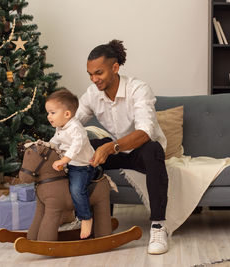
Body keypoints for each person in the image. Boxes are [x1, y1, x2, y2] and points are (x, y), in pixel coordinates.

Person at [76, 39, 169, 254]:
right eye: (90, 74)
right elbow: (73, 121)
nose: (94, 79)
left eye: (98, 73)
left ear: (115, 68)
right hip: (117, 150)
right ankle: (85, 218)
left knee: (154, 150)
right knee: (84, 147)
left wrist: (110, 147)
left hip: (142, 150)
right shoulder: (92, 93)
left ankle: (158, 226)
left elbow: (145, 133)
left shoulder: (139, 88)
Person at [45, 88, 96, 239]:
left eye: (52, 112)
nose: (49, 116)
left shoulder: (76, 128)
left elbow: (77, 145)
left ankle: (86, 218)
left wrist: (64, 160)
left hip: (83, 167)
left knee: (76, 190)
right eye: (48, 112)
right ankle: (67, 217)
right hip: (70, 165)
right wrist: (46, 149)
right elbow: (54, 141)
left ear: (67, 114)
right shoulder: (60, 127)